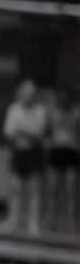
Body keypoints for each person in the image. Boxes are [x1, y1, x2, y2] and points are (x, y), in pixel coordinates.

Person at [2, 78, 48, 235]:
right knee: (16, 188)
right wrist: (27, 132)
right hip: (18, 152)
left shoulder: (40, 110)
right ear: (21, 93)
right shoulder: (13, 109)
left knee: (34, 190)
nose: (30, 96)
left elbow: (39, 134)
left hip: (34, 153)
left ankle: (33, 223)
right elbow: (9, 133)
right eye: (27, 93)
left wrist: (22, 130)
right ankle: (13, 220)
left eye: (32, 93)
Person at [44, 87, 80, 233]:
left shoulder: (77, 113)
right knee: (52, 189)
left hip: (70, 151)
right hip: (56, 150)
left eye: (67, 97)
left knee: (70, 189)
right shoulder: (53, 112)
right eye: (62, 97)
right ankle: (51, 220)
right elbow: (47, 131)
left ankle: (70, 222)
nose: (64, 100)